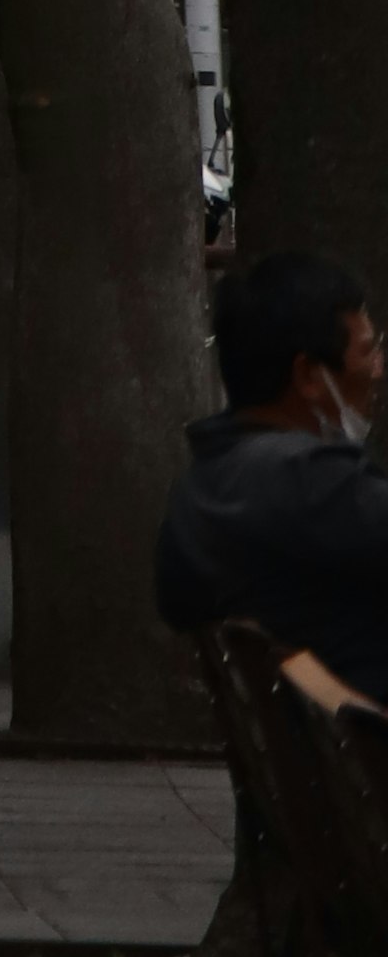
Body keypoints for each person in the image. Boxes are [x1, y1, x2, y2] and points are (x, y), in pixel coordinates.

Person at [156, 248, 388, 696]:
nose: (378, 372)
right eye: (367, 352)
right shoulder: (310, 479)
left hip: (325, 747)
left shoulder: (202, 488)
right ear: (308, 375)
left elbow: (176, 601)